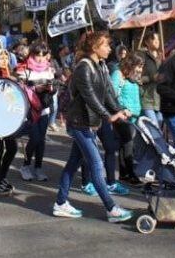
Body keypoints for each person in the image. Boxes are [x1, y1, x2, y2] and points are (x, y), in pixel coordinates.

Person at [52, 31, 133, 223]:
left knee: (72, 165)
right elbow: (91, 98)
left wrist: (120, 109)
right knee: (97, 164)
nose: (109, 48)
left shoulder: (102, 66)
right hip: (80, 124)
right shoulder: (83, 68)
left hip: (90, 123)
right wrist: (109, 116)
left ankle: (60, 203)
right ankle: (111, 209)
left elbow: (107, 94)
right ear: (95, 47)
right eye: (106, 45)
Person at [16, 42, 56, 182]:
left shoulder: (49, 70)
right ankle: (25, 166)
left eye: (43, 55)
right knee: (35, 138)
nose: (40, 58)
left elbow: (54, 90)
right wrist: (33, 89)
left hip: (44, 110)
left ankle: (38, 167)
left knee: (41, 140)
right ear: (31, 54)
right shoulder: (24, 70)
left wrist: (50, 89)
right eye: (37, 55)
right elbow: (18, 90)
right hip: (29, 111)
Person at [0, 49, 18, 195]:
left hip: (8, 118)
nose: (4, 60)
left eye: (6, 58)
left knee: (12, 148)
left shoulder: (13, 75)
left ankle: (3, 175)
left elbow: (15, 98)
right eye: (1, 58)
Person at [111, 53, 143, 184]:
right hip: (122, 117)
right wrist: (123, 109)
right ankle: (131, 174)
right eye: (138, 66)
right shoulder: (118, 75)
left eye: (142, 67)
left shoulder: (133, 78)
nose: (140, 70)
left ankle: (124, 174)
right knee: (128, 144)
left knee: (125, 145)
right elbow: (112, 95)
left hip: (133, 117)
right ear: (130, 65)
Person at [138, 32, 163, 127]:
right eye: (154, 39)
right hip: (147, 98)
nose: (157, 42)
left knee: (159, 126)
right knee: (154, 128)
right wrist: (152, 78)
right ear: (147, 42)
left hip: (159, 99)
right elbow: (137, 77)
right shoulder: (142, 56)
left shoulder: (161, 57)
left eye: (158, 39)